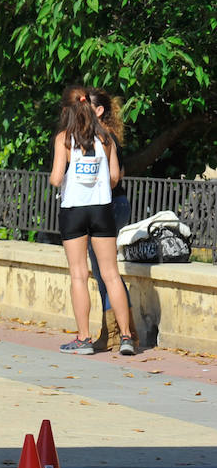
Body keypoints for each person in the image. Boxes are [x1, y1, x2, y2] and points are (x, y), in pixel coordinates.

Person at [49, 86, 136, 356]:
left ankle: (84, 339)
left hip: (74, 209)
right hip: (101, 209)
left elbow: (55, 178)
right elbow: (114, 177)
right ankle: (126, 337)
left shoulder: (64, 138)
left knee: (79, 274)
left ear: (67, 111)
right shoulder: (106, 137)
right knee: (111, 273)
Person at [85, 87, 132, 351]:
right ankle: (117, 331)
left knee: (106, 272)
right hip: (117, 204)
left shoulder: (102, 137)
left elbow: (116, 176)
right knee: (107, 271)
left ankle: (116, 333)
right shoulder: (110, 136)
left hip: (108, 205)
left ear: (99, 110)